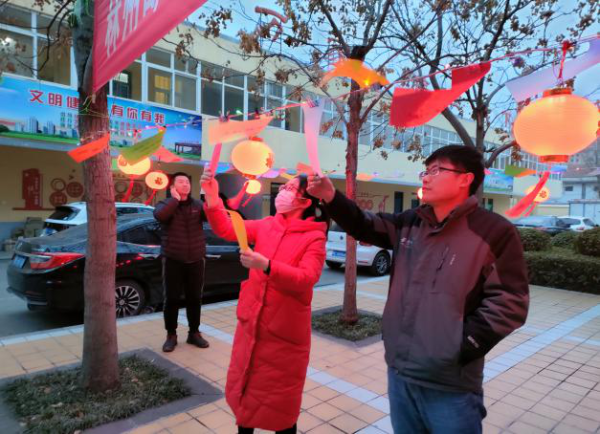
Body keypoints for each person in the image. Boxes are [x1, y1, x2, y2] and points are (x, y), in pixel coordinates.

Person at [307, 145, 529, 434]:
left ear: (465, 179)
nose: (426, 177)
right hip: (400, 372)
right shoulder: (411, 222)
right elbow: (364, 224)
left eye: (437, 170)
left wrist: (458, 347)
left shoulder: (494, 231)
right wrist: (330, 196)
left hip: (450, 384)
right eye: (426, 171)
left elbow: (510, 301)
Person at [201, 170, 329, 434]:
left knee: (281, 407)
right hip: (252, 326)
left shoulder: (314, 236)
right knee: (246, 399)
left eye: (290, 188)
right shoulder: (267, 225)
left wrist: (267, 265)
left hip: (284, 334)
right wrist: (212, 198)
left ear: (305, 201)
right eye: (284, 187)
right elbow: (226, 228)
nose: (282, 191)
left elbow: (307, 278)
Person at [154, 172, 210, 352]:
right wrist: (174, 200)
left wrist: (210, 193)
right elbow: (161, 216)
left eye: (187, 181)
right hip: (173, 259)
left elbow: (211, 216)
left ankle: (194, 333)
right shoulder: (165, 204)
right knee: (171, 299)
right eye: (180, 181)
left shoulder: (197, 205)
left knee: (195, 298)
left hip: (196, 260)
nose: (185, 184)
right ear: (172, 187)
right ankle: (171, 335)